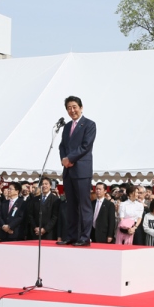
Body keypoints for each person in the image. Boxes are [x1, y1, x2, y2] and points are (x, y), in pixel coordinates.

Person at [58, 95, 97, 247]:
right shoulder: (67, 126)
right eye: (69, 108)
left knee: (84, 205)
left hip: (81, 170)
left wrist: (70, 159)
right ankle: (72, 235)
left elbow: (86, 146)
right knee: (71, 205)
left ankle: (85, 236)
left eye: (74, 107)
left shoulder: (89, 124)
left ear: (81, 107)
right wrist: (63, 159)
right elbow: (62, 146)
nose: (72, 110)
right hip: (68, 170)